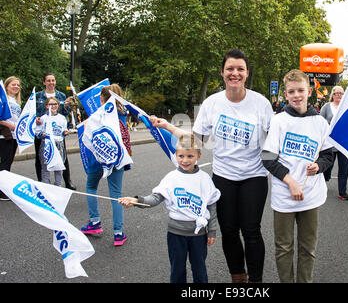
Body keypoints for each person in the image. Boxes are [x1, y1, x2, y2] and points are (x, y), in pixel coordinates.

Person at [150, 49, 273, 283]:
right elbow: (197, 140)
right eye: (230, 69)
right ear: (222, 72)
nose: (234, 73)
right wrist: (168, 126)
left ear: (247, 73)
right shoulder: (211, 103)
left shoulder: (261, 103)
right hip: (223, 176)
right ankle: (238, 276)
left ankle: (256, 281)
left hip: (253, 176)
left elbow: (275, 140)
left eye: (240, 69)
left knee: (251, 231)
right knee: (228, 230)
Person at [261, 69, 333, 283]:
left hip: (311, 195)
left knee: (307, 248)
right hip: (285, 196)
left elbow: (328, 155)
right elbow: (267, 158)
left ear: (309, 91)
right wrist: (290, 181)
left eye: (300, 90)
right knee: (284, 248)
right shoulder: (279, 121)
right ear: (285, 94)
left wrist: (318, 166)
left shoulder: (320, 123)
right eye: (291, 91)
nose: (296, 95)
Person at [119, 133, 221, 283]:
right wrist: (136, 200)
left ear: (198, 155)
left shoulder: (204, 179)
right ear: (176, 155)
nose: (185, 160)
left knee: (200, 269)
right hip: (175, 234)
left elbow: (211, 205)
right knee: (177, 270)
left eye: (190, 156)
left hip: (199, 234)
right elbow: (155, 198)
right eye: (181, 156)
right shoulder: (171, 178)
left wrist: (212, 230)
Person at [80, 84, 131, 246]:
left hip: (98, 158)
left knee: (91, 187)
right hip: (116, 157)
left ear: (102, 98)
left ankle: (95, 222)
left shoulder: (98, 114)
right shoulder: (122, 113)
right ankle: (118, 233)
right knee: (116, 194)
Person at [35, 73, 76, 190]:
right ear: (44, 82)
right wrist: (35, 119)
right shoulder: (38, 96)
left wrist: (67, 106)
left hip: (57, 135)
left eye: (53, 80)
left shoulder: (61, 95)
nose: (51, 83)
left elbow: (64, 113)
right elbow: (31, 113)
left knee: (63, 158)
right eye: (48, 80)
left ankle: (67, 181)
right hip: (43, 132)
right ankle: (42, 183)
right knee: (41, 159)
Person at [320, 86, 348, 200]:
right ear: (332, 95)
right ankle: (321, 187)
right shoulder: (326, 107)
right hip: (329, 144)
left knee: (344, 169)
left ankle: (342, 192)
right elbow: (320, 122)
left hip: (343, 144)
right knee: (327, 167)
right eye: (336, 93)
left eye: (341, 93)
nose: (339, 95)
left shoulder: (347, 107)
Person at [35, 97, 70, 186]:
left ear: (58, 105)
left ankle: (58, 186)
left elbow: (63, 131)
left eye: (55, 104)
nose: (53, 106)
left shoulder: (62, 118)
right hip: (46, 145)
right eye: (50, 104)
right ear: (46, 106)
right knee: (45, 167)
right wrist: (43, 135)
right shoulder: (43, 118)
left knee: (59, 167)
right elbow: (37, 132)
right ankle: (46, 186)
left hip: (59, 145)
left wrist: (65, 132)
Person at [0, 76, 22, 201]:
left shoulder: (17, 102)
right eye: (13, 84)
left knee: (8, 162)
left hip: (14, 136)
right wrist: (10, 126)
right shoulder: (4, 99)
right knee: (4, 163)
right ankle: (2, 191)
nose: (16, 87)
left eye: (18, 85)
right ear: (7, 86)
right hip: (5, 135)